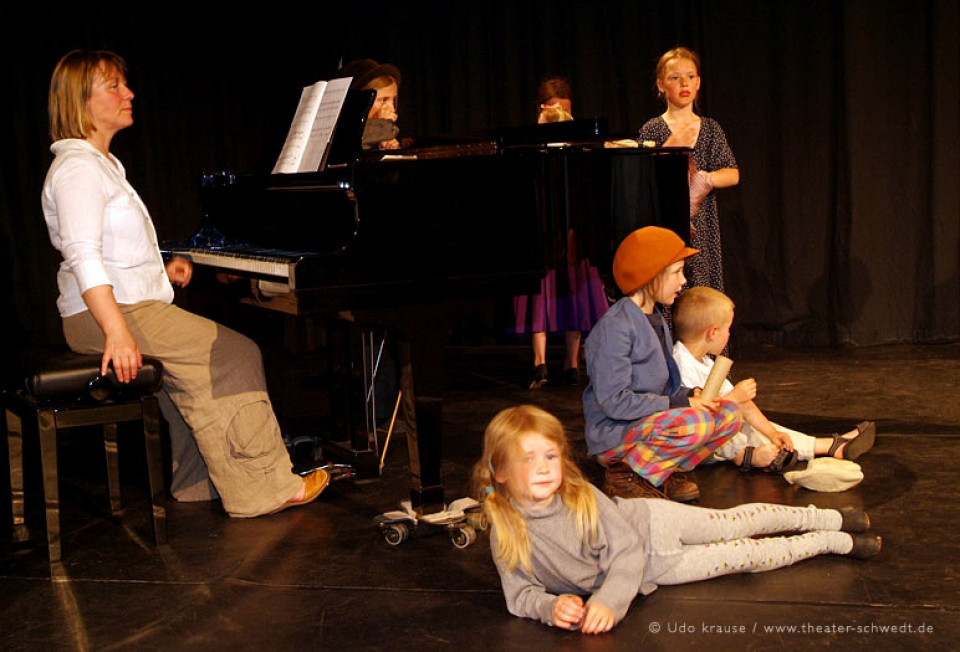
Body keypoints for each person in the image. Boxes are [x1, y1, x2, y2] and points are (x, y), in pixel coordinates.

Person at [42, 50, 329, 518]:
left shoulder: (102, 166)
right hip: (105, 316)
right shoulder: (78, 169)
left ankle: (201, 484)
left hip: (121, 306)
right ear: (79, 101)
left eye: (124, 84)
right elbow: (83, 256)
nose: (128, 93)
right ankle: (263, 488)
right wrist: (117, 332)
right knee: (234, 355)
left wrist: (161, 270)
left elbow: (111, 251)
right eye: (113, 86)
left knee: (191, 370)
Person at [474, 404, 881, 634]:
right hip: (659, 565)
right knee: (745, 556)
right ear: (501, 472)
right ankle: (835, 543)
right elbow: (521, 594)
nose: (545, 468)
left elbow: (626, 549)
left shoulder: (583, 496)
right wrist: (552, 607)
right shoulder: (507, 532)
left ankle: (828, 519)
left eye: (550, 457)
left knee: (735, 522)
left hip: (653, 523)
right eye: (528, 460)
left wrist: (608, 602)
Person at [582, 227, 741, 502]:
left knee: (729, 415)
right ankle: (625, 476)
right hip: (614, 434)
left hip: (648, 422)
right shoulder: (615, 328)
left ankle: (665, 471)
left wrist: (688, 396)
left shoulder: (655, 318)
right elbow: (615, 402)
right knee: (698, 422)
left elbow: (665, 389)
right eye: (676, 272)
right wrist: (679, 405)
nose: (683, 281)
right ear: (652, 274)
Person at [672, 286, 876, 470]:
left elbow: (745, 407)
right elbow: (699, 418)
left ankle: (825, 446)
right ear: (713, 333)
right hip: (699, 449)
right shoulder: (681, 363)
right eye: (728, 329)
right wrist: (734, 398)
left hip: (721, 433)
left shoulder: (707, 363)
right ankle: (746, 455)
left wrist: (772, 433)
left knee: (750, 424)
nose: (729, 335)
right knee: (736, 423)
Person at [514, 76, 608, 388]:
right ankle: (539, 361)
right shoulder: (529, 142)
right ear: (541, 109)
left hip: (570, 226)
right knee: (539, 293)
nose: (561, 118)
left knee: (576, 291)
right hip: (540, 228)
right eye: (554, 111)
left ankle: (571, 360)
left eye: (566, 112)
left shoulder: (577, 144)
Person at [639, 47, 739, 293]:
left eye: (690, 76)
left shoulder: (710, 129)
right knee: (670, 287)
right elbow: (645, 176)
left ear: (698, 83)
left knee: (701, 294)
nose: (684, 82)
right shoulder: (653, 129)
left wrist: (706, 179)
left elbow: (732, 173)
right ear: (661, 85)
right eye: (674, 77)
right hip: (667, 224)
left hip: (703, 227)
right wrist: (674, 142)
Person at [337, 58, 401, 150]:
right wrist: (383, 127)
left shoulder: (385, 133)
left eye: (393, 100)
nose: (392, 109)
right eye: (383, 100)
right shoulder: (342, 132)